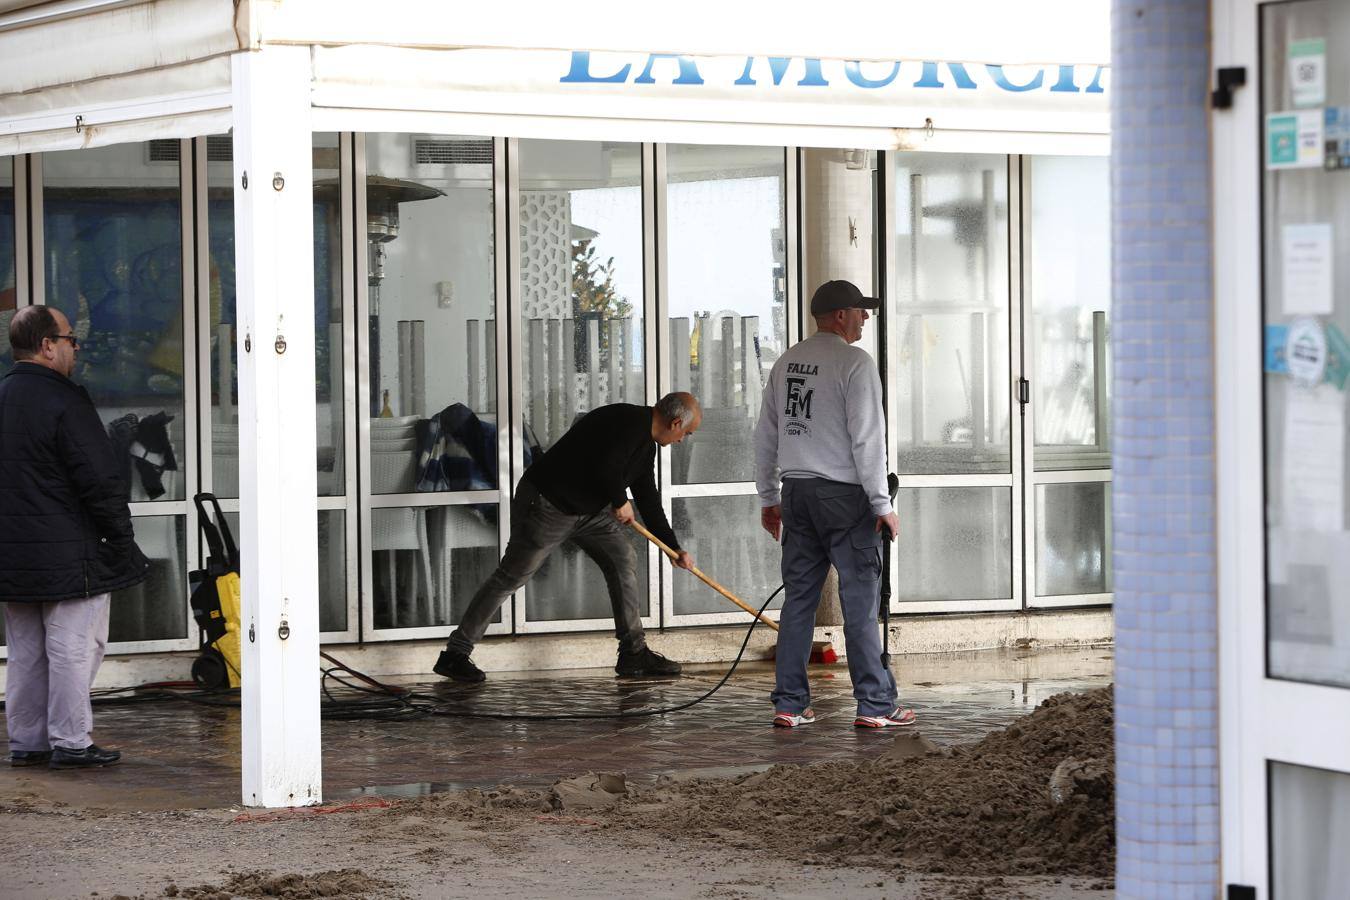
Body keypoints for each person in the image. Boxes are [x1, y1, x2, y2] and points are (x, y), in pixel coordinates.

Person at [434, 393, 701, 682]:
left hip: (589, 512)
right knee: (511, 576)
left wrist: (673, 547)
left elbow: (648, 497)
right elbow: (605, 465)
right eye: (686, 433)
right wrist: (618, 499)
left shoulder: (646, 445)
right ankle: (454, 655)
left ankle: (633, 654)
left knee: (622, 560)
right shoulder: (625, 421)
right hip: (548, 504)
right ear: (675, 423)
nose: (682, 440)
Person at [754, 280, 915, 729]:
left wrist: (770, 498)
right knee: (860, 603)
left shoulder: (786, 363)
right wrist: (882, 504)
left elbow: (766, 435)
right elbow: (868, 440)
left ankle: (789, 703)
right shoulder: (855, 364)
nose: (866, 317)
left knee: (798, 602)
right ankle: (875, 705)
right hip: (845, 498)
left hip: (798, 494)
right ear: (840, 315)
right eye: (861, 311)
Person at [0, 306, 149, 768]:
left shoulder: (2, 395)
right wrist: (121, 540)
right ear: (47, 346)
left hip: (11, 554)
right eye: (70, 339)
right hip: (69, 553)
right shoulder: (65, 400)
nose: (76, 347)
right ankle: (70, 741)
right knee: (73, 646)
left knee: (25, 650)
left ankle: (27, 741)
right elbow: (100, 480)